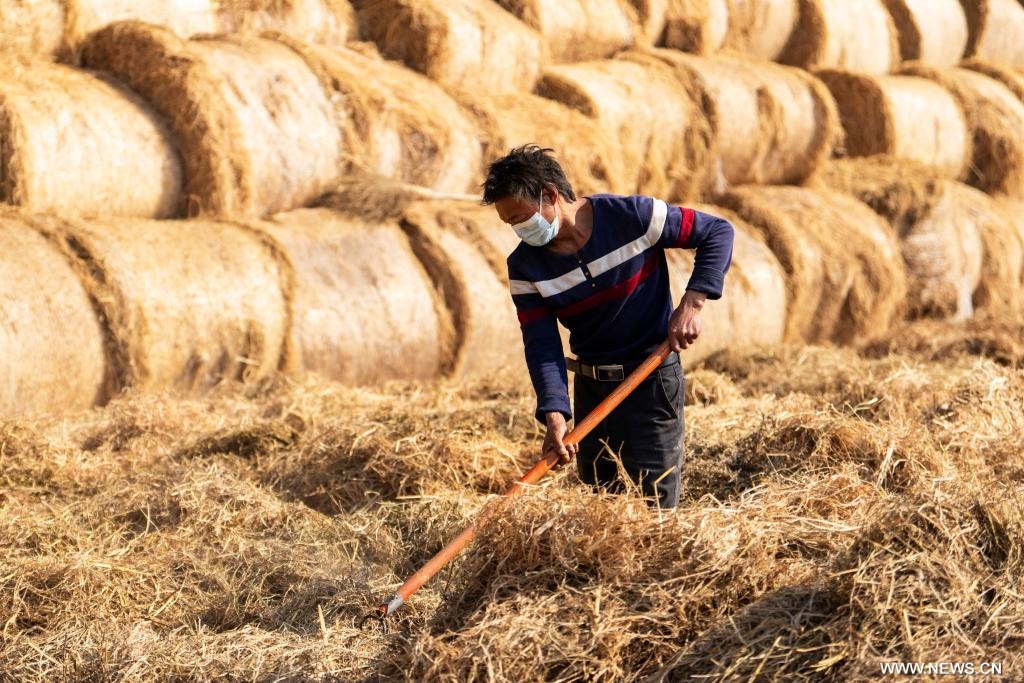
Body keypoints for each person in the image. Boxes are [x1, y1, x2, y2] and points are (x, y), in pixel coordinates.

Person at [482, 145, 734, 509]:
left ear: (550, 195)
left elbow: (716, 232)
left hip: (651, 379)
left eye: (521, 218)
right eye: (510, 224)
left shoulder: (632, 216)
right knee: (599, 508)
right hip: (592, 389)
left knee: (654, 504)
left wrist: (693, 303)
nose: (520, 230)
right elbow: (542, 344)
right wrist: (555, 414)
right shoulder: (525, 268)